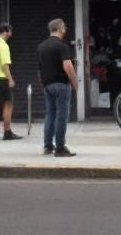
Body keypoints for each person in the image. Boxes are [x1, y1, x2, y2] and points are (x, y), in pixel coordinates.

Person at [38, 18, 79, 157]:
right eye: (64, 27)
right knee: (62, 116)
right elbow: (68, 66)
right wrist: (75, 83)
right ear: (60, 28)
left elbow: (40, 69)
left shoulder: (41, 47)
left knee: (50, 114)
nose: (65, 29)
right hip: (61, 85)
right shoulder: (62, 46)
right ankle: (60, 148)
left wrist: (43, 84)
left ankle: (48, 146)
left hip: (47, 85)